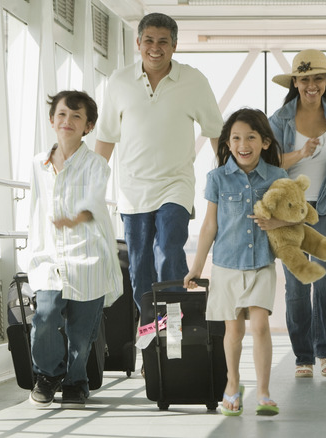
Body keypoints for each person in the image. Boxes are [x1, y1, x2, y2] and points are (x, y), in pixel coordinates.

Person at [95, 12, 223, 311]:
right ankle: (151, 330)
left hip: (175, 186)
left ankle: (173, 325)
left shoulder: (193, 80)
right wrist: (92, 189)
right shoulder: (119, 81)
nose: (156, 47)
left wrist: (227, 177)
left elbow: (217, 133)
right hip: (132, 192)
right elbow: (105, 137)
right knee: (140, 268)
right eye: (149, 40)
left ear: (174, 46)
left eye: (163, 42)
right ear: (138, 43)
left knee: (168, 251)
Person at [266, 49, 326, 379]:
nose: (312, 85)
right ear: (295, 82)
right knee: (296, 286)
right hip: (290, 213)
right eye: (305, 79)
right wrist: (300, 153)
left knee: (324, 277)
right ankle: (303, 357)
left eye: (318, 78)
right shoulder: (279, 119)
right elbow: (269, 164)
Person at [184, 108, 286, 417]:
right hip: (227, 266)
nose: (244, 144)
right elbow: (209, 226)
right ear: (227, 144)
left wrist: (276, 222)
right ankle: (233, 383)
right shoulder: (216, 178)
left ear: (265, 142)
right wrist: (197, 268)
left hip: (261, 265)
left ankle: (265, 392)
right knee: (234, 333)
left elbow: (295, 220)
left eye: (251, 137)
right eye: (236, 138)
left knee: (260, 325)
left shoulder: (278, 178)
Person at [26, 90, 123, 408]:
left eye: (76, 116)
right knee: (45, 315)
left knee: (82, 333)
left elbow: (93, 203)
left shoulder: (96, 165)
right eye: (62, 114)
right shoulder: (37, 165)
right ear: (52, 120)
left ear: (89, 126)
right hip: (49, 257)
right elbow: (33, 208)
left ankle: (76, 381)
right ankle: (47, 374)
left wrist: (75, 217)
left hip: (87, 257)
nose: (67, 121)